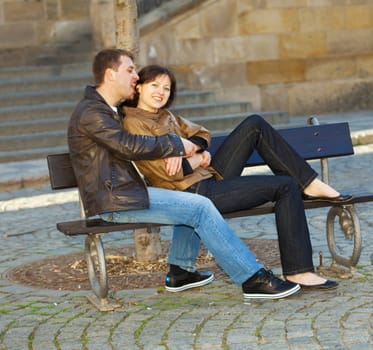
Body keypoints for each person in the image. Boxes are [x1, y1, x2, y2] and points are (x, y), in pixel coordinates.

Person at [67, 48, 301, 300]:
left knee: (189, 205)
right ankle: (251, 278)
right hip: (115, 200)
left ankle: (181, 272)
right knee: (200, 207)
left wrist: (186, 149)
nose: (135, 76)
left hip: (125, 192)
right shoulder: (93, 113)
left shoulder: (105, 109)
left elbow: (144, 142)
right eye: (130, 70)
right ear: (111, 74)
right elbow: (129, 145)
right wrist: (178, 145)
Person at [122, 64, 351, 289]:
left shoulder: (166, 115)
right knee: (286, 187)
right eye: (154, 85)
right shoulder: (134, 123)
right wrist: (198, 158)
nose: (161, 92)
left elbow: (202, 134)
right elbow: (169, 172)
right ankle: (299, 271)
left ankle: (309, 183)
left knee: (254, 124)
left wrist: (188, 147)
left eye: (166, 88)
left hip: (208, 176)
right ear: (139, 87)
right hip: (194, 192)